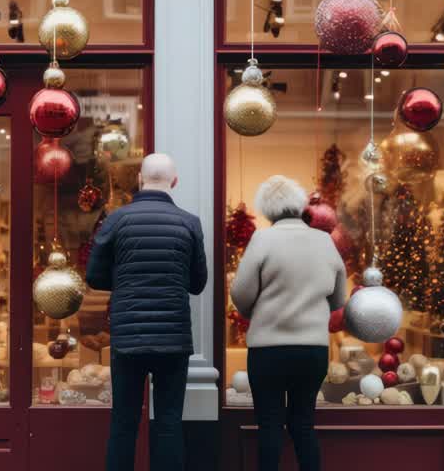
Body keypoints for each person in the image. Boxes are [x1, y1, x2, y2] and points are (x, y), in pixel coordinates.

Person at [86, 153, 207, 471]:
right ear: (175, 182)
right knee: (168, 423)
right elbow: (197, 284)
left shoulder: (116, 219)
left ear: (140, 179)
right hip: (174, 339)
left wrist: (126, 278)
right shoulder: (189, 223)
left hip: (128, 338)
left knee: (124, 424)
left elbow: (94, 277)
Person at [230, 175, 347, 471]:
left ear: (268, 209)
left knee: (269, 425)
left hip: (268, 350)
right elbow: (337, 299)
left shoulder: (262, 239)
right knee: (303, 424)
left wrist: (255, 308)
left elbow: (241, 295)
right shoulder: (324, 241)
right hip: (312, 350)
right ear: (299, 206)